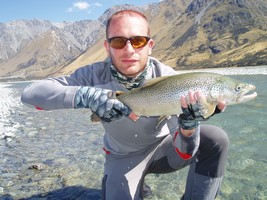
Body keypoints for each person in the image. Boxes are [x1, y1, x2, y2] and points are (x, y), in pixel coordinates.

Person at [21, 9, 229, 200]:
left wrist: (188, 128)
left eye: (138, 41)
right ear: (107, 46)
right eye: (119, 42)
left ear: (150, 45)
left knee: (215, 138)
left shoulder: (169, 78)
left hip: (166, 152)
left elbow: (185, 151)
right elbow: (30, 94)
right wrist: (85, 95)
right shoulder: (92, 75)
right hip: (122, 157)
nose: (129, 50)